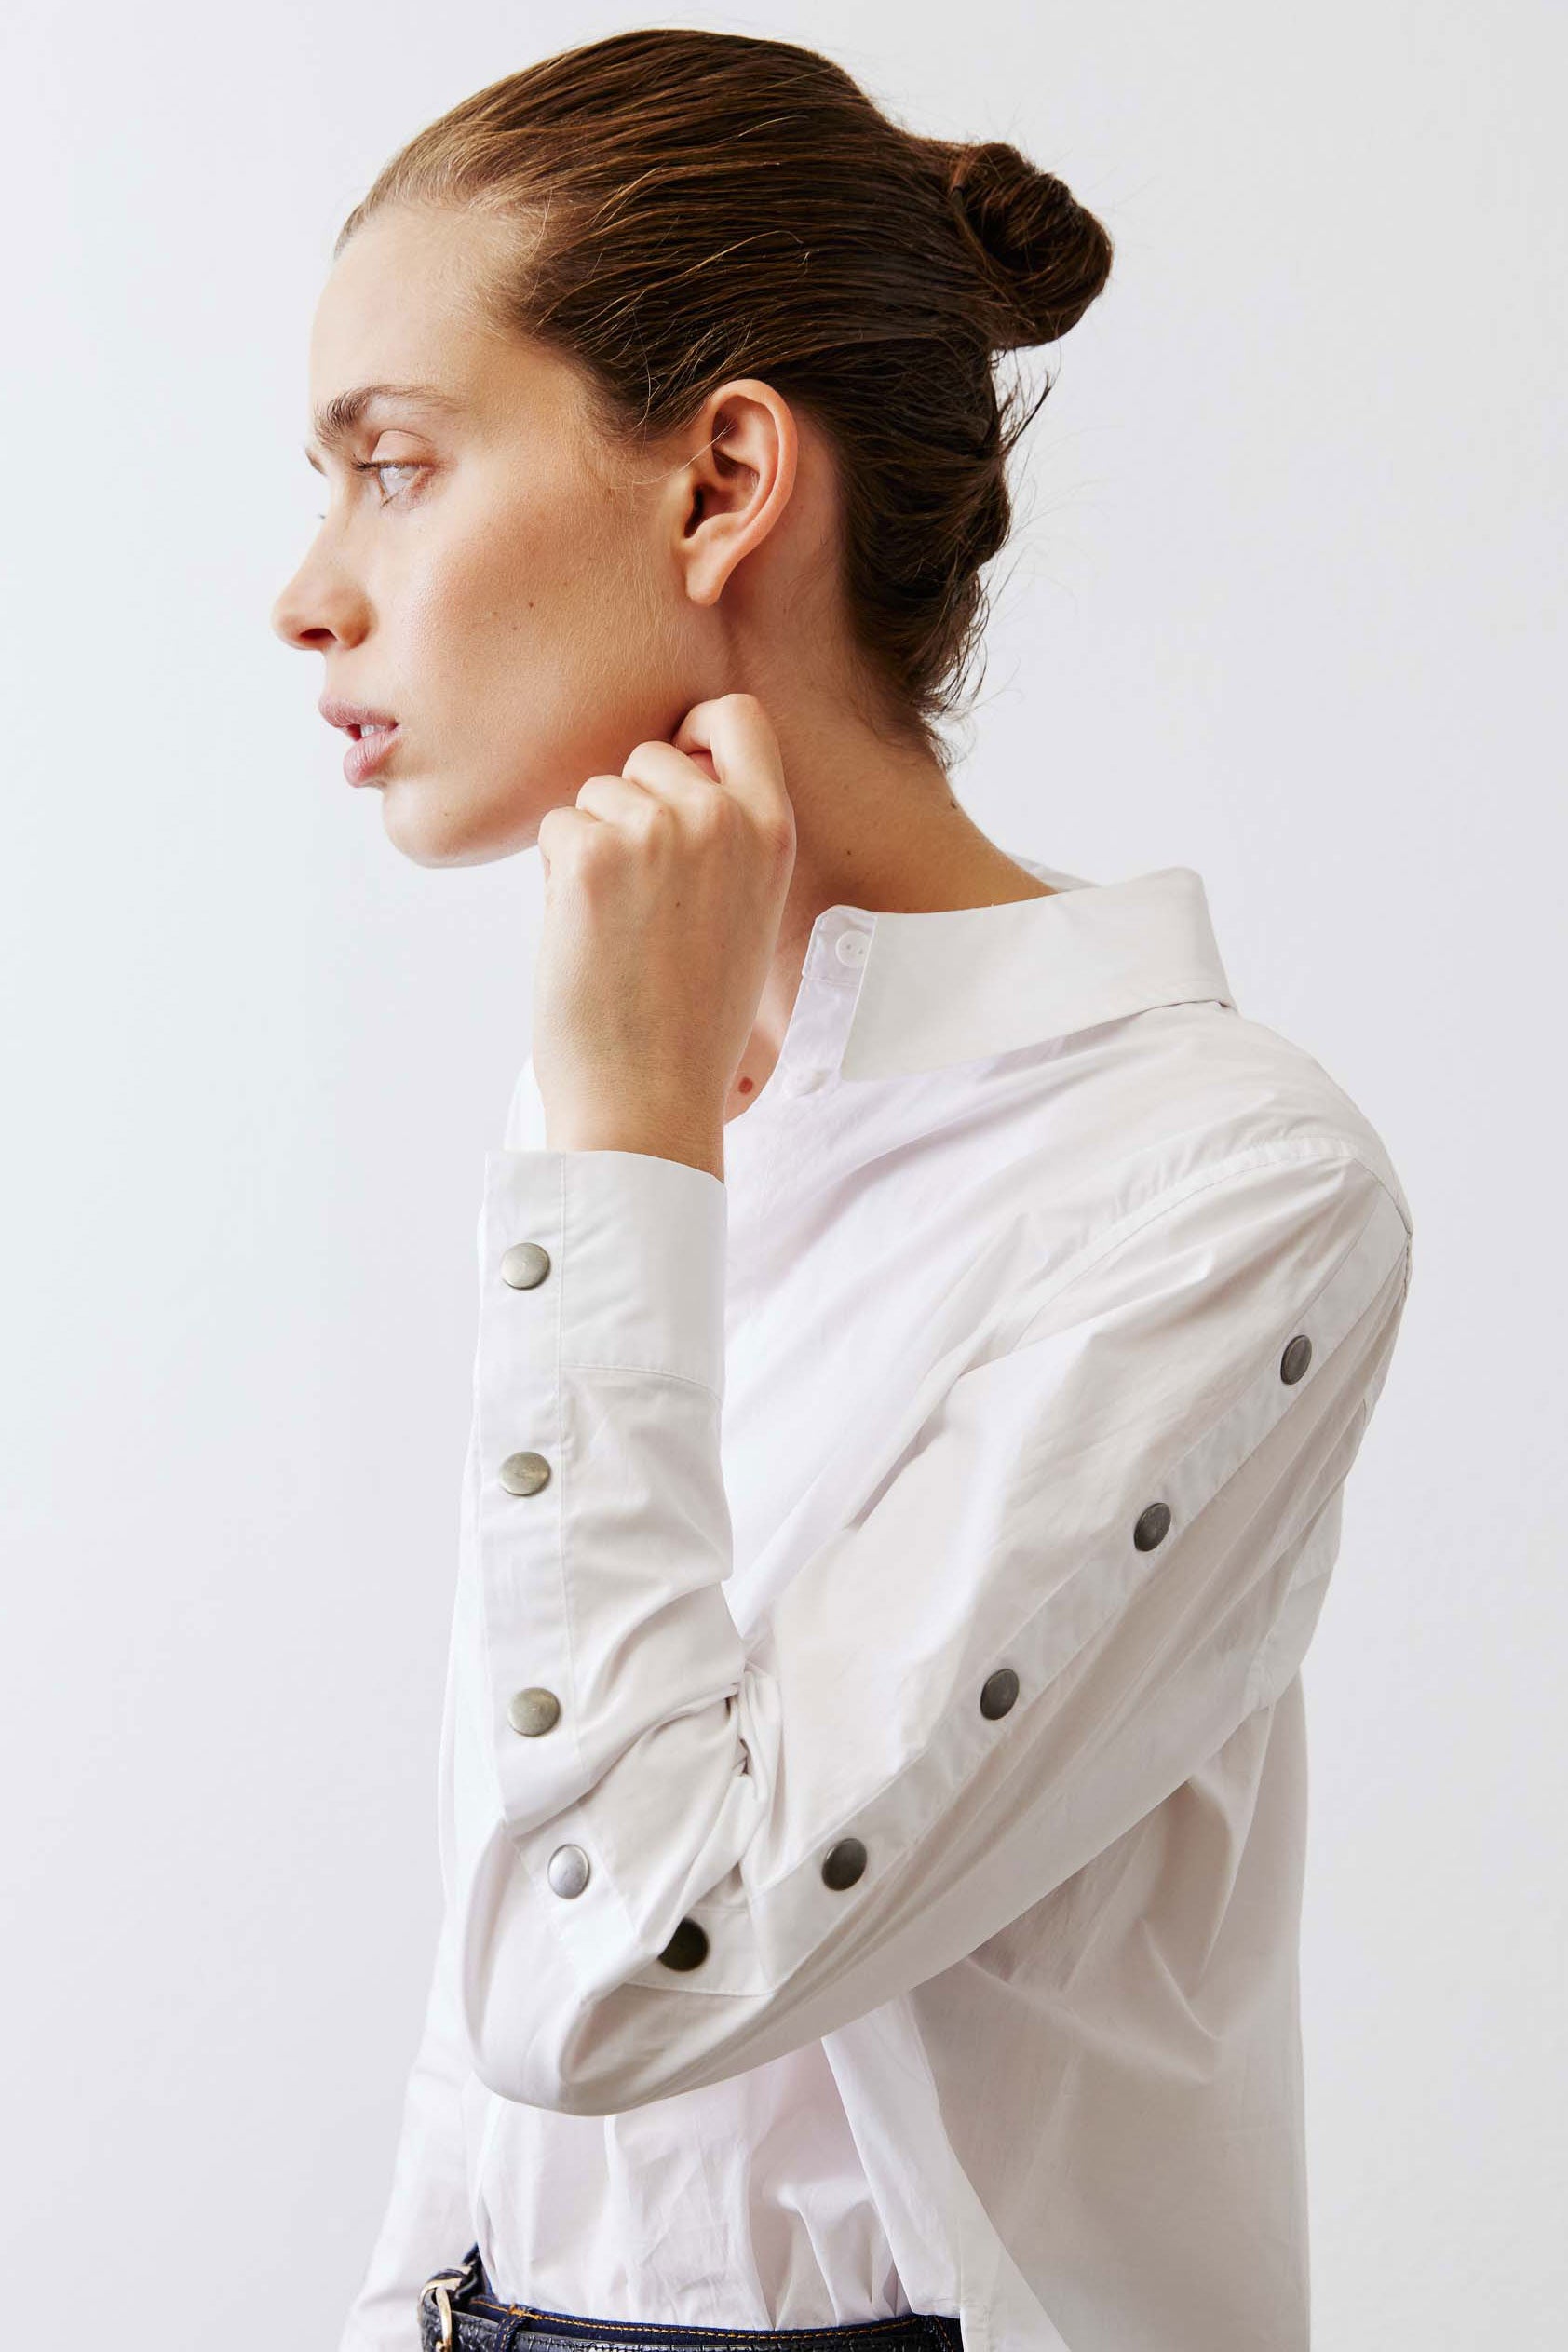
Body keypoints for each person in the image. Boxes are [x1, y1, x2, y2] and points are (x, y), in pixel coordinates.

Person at [270, 28, 1414, 2352]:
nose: (309, 594)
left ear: (718, 482)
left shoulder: (1228, 1191)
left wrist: (623, 1153)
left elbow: (625, 1965)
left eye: (392, 467)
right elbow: (504, 1995)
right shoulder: (633, 1089)